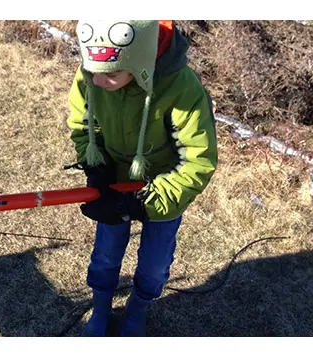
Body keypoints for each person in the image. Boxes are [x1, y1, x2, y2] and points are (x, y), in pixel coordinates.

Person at [66, 20, 218, 337]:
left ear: (138, 62)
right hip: (113, 183)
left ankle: (138, 309)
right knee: (105, 254)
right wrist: (96, 166)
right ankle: (102, 307)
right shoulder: (92, 74)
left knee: (154, 265)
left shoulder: (180, 87)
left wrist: (146, 202)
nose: (98, 80)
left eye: (110, 74)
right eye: (91, 71)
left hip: (164, 187)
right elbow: (84, 125)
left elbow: (198, 160)